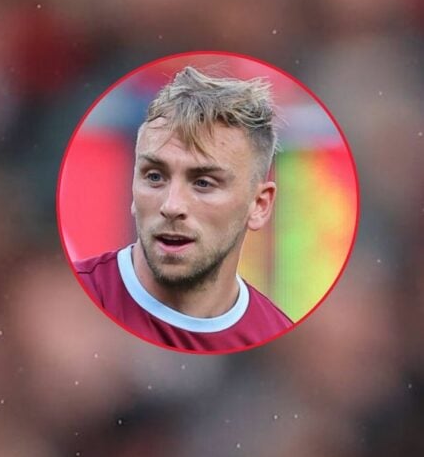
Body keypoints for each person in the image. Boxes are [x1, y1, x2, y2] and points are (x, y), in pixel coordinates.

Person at [74, 66, 294, 352]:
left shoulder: (274, 334)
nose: (171, 206)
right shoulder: (80, 299)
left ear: (259, 205)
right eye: (155, 177)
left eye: (203, 183)